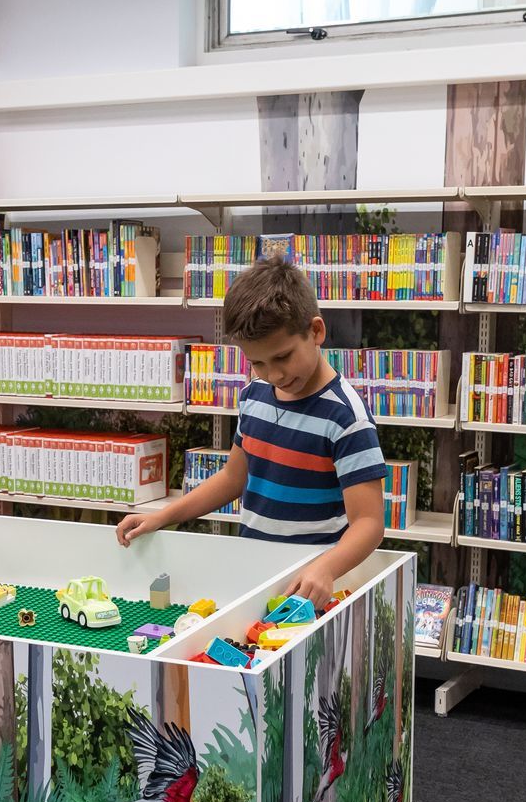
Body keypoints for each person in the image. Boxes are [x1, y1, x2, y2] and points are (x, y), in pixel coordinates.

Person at [115, 253, 385, 609]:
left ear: (316, 332)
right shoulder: (253, 396)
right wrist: (163, 516)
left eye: (283, 357)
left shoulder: (347, 418)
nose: (273, 375)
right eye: (257, 362)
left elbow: (368, 523)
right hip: (255, 576)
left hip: (312, 590)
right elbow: (233, 477)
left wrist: (326, 568)